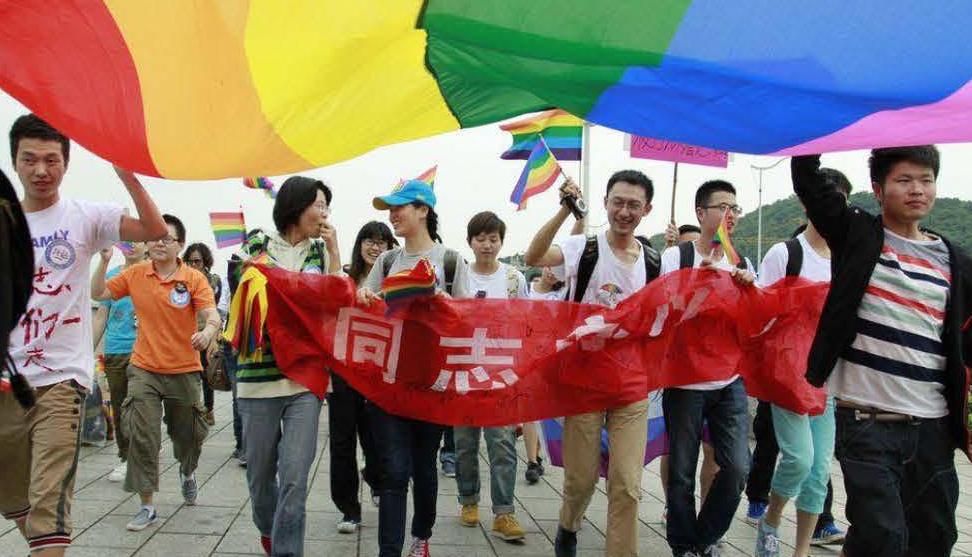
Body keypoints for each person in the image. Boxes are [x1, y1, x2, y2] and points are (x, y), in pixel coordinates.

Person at [0, 114, 166, 556]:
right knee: (13, 498)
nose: (41, 170)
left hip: (61, 381)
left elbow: (154, 231)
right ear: (14, 162)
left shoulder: (84, 216)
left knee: (49, 505)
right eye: (29, 159)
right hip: (7, 384)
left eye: (51, 160)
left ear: (66, 163)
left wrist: (128, 177)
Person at [793, 148, 972, 557]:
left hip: (933, 427)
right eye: (904, 180)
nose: (917, 190)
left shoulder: (956, 260)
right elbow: (807, 178)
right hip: (866, 421)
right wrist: (828, 116)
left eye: (926, 180)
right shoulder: (857, 234)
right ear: (878, 189)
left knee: (936, 537)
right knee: (882, 538)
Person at [524, 171, 660, 557]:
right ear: (605, 202)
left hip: (631, 387)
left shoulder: (652, 261)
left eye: (634, 204)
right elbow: (535, 257)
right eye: (617, 201)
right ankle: (569, 526)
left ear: (646, 209)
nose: (624, 211)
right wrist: (563, 212)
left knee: (628, 485)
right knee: (581, 480)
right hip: (583, 385)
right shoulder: (583, 248)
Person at [357, 178, 470, 557]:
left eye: (400, 206)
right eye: (390, 207)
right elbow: (368, 305)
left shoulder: (451, 262)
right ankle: (389, 551)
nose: (393, 214)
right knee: (394, 471)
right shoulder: (388, 261)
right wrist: (365, 296)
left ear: (423, 210)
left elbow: (469, 322)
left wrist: (439, 301)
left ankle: (422, 535)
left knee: (424, 468)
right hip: (390, 383)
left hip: (432, 386)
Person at [229, 176, 341, 556]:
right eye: (320, 204)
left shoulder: (320, 252)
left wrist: (335, 249)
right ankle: (268, 527)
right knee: (260, 477)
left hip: (305, 379)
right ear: (297, 204)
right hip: (257, 379)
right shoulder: (258, 242)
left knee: (294, 477)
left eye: (327, 206)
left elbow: (336, 300)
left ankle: (287, 551)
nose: (324, 213)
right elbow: (244, 290)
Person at [91, 213, 218, 531]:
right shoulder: (135, 274)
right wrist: (104, 261)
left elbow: (211, 314)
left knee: (188, 436)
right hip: (144, 368)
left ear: (180, 245)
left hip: (184, 369)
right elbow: (99, 294)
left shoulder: (193, 279)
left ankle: (187, 471)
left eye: (168, 238)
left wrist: (207, 332)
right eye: (155, 237)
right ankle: (146, 506)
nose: (160, 243)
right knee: (141, 435)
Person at [752, 167, 851, 557]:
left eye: (837, 201)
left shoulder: (848, 258)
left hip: (827, 376)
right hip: (788, 373)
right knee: (799, 457)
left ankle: (801, 551)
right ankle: (771, 518)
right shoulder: (786, 253)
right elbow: (760, 311)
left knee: (820, 470)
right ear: (807, 204)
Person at [659, 180, 756, 557]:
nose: (730, 215)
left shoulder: (742, 263)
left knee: (736, 469)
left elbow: (751, 324)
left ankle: (704, 537)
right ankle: (684, 545)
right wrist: (694, 284)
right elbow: (662, 312)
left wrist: (750, 291)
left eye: (735, 208)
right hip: (684, 379)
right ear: (701, 213)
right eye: (723, 207)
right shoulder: (677, 258)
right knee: (682, 471)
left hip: (729, 379)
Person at [453, 211, 528, 542]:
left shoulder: (514, 278)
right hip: (464, 370)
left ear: (501, 242)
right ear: (469, 242)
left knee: (503, 445)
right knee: (465, 442)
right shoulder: (459, 276)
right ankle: (468, 500)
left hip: (501, 372)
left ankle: (504, 512)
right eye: (480, 238)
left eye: (493, 239)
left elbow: (528, 324)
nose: (486, 245)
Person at [330, 220, 397, 533]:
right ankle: (348, 510)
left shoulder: (396, 282)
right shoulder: (345, 280)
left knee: (376, 438)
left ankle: (375, 478)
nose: (375, 247)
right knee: (342, 442)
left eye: (382, 242)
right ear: (359, 245)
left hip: (380, 372)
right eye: (369, 241)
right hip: (344, 370)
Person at [92, 240, 148, 483]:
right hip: (116, 349)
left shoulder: (154, 274)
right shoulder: (113, 276)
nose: (133, 246)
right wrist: (87, 352)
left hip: (146, 351)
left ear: (147, 245)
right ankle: (126, 457)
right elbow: (101, 315)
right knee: (119, 405)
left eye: (138, 241)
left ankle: (144, 451)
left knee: (143, 406)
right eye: (127, 241)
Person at [183, 242, 228, 426]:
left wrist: (216, 335)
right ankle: (193, 409)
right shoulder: (182, 281)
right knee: (189, 375)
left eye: (197, 261)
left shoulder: (214, 281)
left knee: (207, 374)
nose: (194, 265)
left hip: (207, 332)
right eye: (190, 261)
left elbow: (219, 310)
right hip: (186, 334)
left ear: (205, 262)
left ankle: (208, 410)